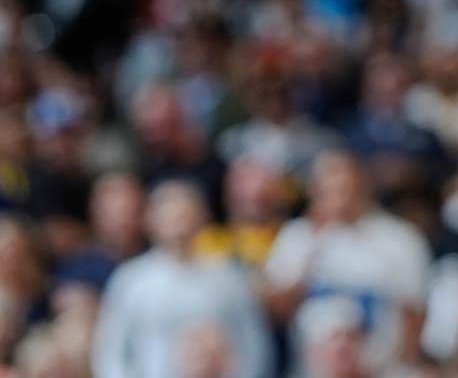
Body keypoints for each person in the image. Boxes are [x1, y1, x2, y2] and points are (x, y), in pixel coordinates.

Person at [262, 150, 431, 373]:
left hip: (382, 370)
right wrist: (314, 248)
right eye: (328, 191)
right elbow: (275, 313)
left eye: (346, 189)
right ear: (314, 192)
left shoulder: (400, 239)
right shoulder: (298, 236)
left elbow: (416, 315)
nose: (339, 199)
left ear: (364, 188)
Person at [90, 180, 274, 378]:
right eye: (170, 217)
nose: (179, 226)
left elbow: (253, 344)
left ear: (202, 218)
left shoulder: (228, 278)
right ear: (151, 220)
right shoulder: (131, 280)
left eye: (185, 216)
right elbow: (111, 351)